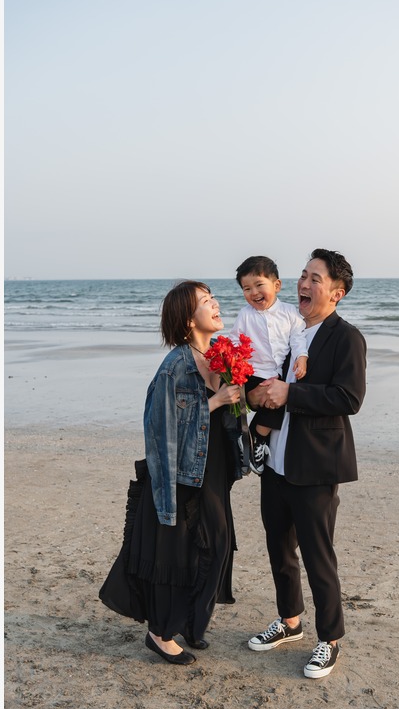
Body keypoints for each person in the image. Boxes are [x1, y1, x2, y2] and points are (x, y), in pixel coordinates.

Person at [99, 281, 253, 666]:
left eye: (213, 297)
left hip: (213, 471)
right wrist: (215, 402)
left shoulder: (220, 354)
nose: (216, 304)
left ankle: (190, 622)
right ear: (187, 321)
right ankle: (159, 634)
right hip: (183, 475)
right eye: (205, 301)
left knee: (216, 547)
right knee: (179, 556)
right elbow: (160, 430)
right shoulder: (175, 368)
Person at [244, 249, 366, 679]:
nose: (304, 285)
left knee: (318, 556)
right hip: (276, 463)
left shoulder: (345, 337)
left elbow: (348, 398)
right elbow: (266, 385)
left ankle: (330, 640)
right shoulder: (291, 332)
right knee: (279, 548)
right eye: (302, 276)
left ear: (337, 292)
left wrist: (290, 394)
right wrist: (252, 395)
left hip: (316, 465)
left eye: (315, 279)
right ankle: (290, 622)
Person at [225, 255, 308, 474]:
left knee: (278, 404)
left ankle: (254, 438)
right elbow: (234, 339)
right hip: (253, 372)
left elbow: (298, 338)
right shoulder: (245, 315)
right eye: (246, 289)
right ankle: (256, 441)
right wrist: (233, 360)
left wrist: (302, 357)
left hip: (278, 374)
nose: (253, 293)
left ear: (277, 285)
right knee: (272, 405)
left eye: (259, 285)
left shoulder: (290, 313)